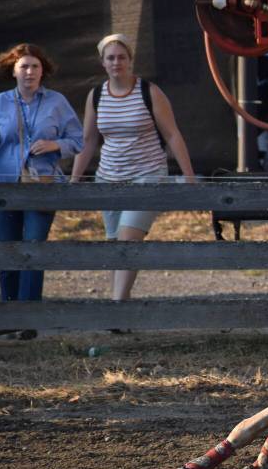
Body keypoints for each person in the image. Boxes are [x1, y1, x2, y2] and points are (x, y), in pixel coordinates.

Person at [0, 43, 83, 337]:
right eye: (23, 66)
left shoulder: (57, 102)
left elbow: (79, 140)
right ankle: (8, 316)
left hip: (43, 186)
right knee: (8, 249)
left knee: (33, 247)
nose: (29, 72)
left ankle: (29, 319)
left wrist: (56, 145)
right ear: (13, 70)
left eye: (35, 66)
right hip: (3, 187)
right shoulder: (0, 103)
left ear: (43, 71)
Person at [70, 33, 196, 301]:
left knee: (129, 239)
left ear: (130, 60)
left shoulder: (148, 92)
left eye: (122, 57)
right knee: (115, 244)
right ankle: (121, 306)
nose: (116, 63)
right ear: (103, 63)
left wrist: (189, 176)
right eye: (111, 58)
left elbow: (172, 134)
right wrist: (74, 179)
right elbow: (89, 140)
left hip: (147, 174)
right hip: (108, 177)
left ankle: (115, 308)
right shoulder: (96, 96)